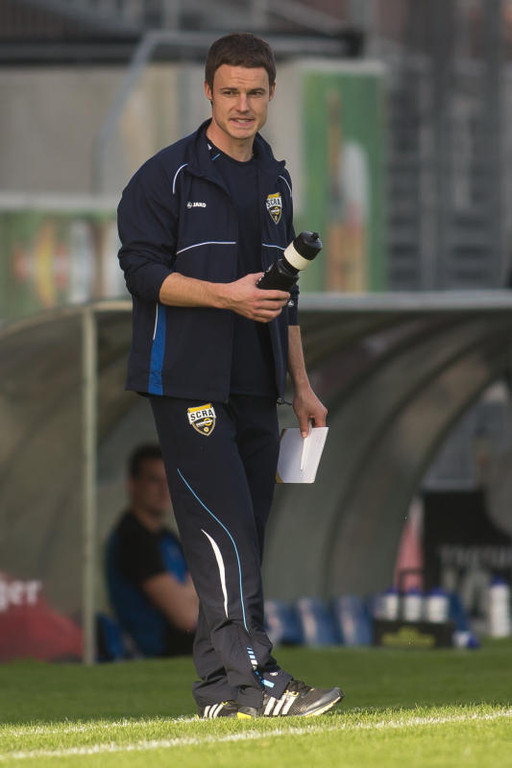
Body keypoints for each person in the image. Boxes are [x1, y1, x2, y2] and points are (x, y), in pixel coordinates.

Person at [117, 32, 343, 718]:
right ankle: (261, 680)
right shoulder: (165, 176)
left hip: (258, 384)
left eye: (255, 92)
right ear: (208, 93)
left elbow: (283, 295)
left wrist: (300, 385)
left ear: (272, 94)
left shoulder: (276, 178)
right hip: (187, 382)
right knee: (225, 532)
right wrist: (225, 297)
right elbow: (142, 274)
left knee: (244, 532)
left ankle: (219, 688)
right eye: (230, 92)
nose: (243, 105)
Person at [105, 444, 198, 658]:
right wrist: (194, 591)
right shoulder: (134, 539)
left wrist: (189, 592)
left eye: (169, 480)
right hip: (159, 652)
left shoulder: (167, 538)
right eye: (155, 481)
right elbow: (186, 617)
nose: (164, 490)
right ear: (133, 484)